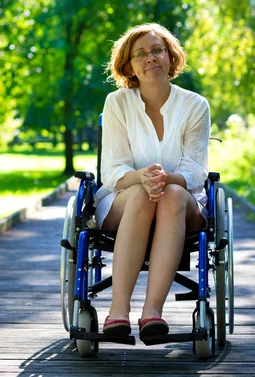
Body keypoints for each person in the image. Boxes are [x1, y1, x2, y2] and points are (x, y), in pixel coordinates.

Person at [95, 23, 210, 339]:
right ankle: (118, 311)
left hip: (181, 201)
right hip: (124, 197)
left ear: (170, 56)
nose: (150, 58)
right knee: (142, 196)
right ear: (128, 65)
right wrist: (141, 179)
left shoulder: (195, 105)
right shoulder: (117, 103)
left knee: (170, 194)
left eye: (157, 50)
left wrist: (163, 179)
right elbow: (113, 171)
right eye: (140, 54)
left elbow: (195, 170)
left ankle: (152, 313)